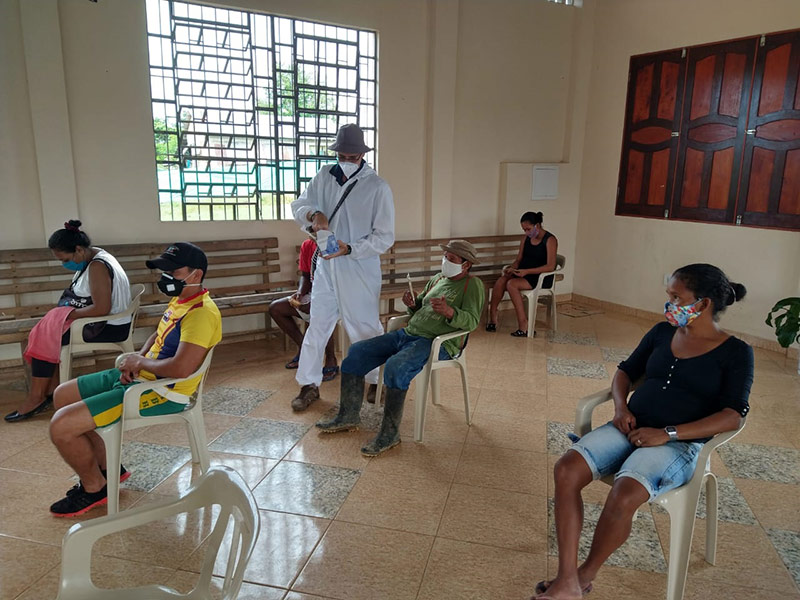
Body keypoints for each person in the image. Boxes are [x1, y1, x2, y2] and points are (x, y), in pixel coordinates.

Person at [534, 264, 753, 600]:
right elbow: (625, 372)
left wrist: (669, 433)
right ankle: (566, 579)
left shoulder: (736, 352)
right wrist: (621, 408)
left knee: (624, 493)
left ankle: (584, 575)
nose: (668, 304)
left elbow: (732, 416)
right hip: (630, 426)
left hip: (678, 444)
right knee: (566, 470)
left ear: (703, 304)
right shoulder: (661, 333)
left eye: (675, 297)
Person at [47, 242, 222, 517]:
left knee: (61, 426)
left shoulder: (201, 314)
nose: (165, 278)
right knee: (63, 395)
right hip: (144, 376)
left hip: (163, 392)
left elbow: (181, 368)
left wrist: (139, 363)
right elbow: (157, 335)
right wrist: (137, 359)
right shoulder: (181, 301)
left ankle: (95, 488)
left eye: (173, 272)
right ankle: (109, 469)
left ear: (196, 275)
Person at [316, 240, 485, 456]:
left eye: (451, 259)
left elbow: (472, 322)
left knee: (396, 366)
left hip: (436, 342)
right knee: (356, 353)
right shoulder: (438, 279)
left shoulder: (472, 286)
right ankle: (348, 415)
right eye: (445, 257)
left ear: (466, 265)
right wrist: (412, 303)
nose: (446, 261)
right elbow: (419, 307)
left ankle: (390, 434)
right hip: (408, 334)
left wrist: (449, 312)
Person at [289, 123, 394, 411]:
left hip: (359, 268)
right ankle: (309, 384)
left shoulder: (377, 187)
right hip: (327, 269)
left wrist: (351, 248)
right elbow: (299, 204)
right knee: (318, 327)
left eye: (353, 157)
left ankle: (375, 383)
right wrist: (314, 214)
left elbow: (385, 237)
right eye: (343, 156)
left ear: (363, 154)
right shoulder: (324, 176)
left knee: (365, 328)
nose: (347, 162)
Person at [5, 220, 131, 422]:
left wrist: (67, 315)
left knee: (47, 335)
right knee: (46, 331)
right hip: (102, 322)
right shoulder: (93, 257)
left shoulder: (98, 266)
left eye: (64, 259)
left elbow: (101, 308)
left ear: (79, 250)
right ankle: (52, 391)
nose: (64, 264)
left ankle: (37, 397)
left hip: (109, 327)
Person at [268, 238, 338, 381]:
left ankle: (331, 359)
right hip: (314, 293)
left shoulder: (334, 245)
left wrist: (316, 302)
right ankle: (304, 350)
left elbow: (339, 281)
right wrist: (301, 293)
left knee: (320, 314)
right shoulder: (308, 245)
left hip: (335, 295)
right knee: (276, 308)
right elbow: (306, 275)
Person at [486, 211, 558, 337]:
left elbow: (550, 266)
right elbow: (519, 260)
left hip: (540, 276)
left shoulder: (550, 240)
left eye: (528, 229)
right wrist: (512, 268)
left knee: (511, 284)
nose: (526, 232)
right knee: (502, 280)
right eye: (524, 230)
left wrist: (527, 271)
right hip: (523, 273)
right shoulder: (526, 239)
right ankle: (493, 315)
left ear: (537, 225)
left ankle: (524, 325)